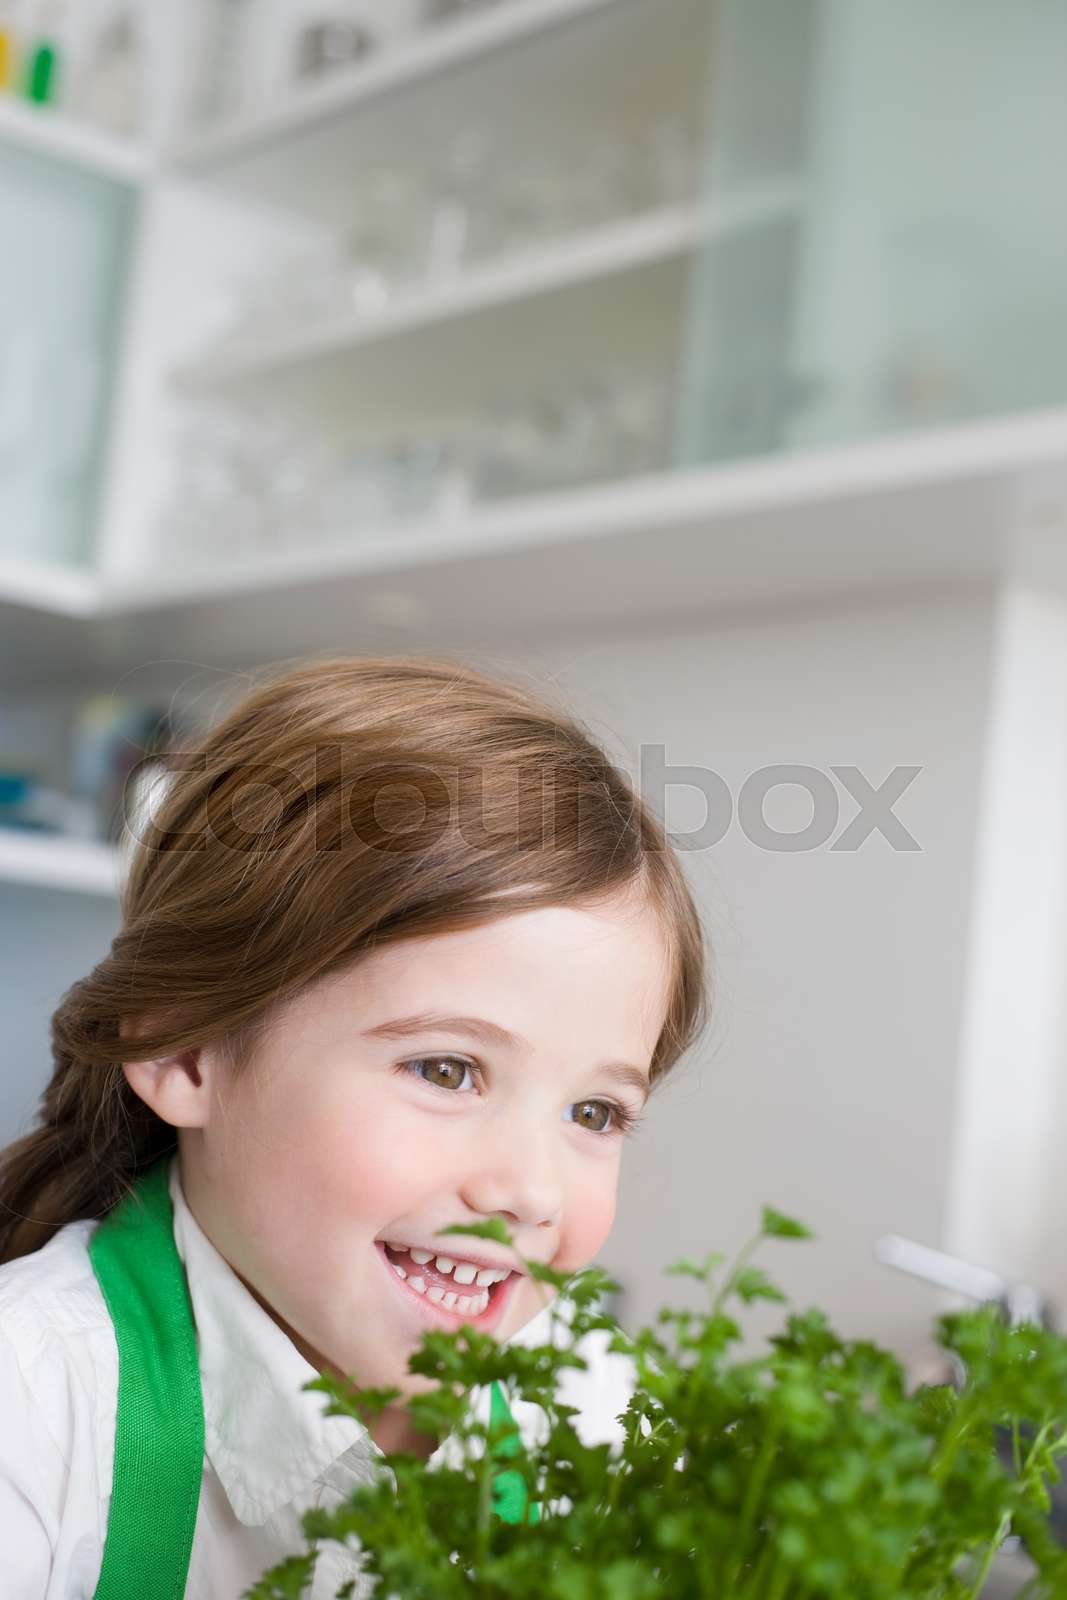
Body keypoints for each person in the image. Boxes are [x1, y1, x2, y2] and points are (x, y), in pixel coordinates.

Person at [0, 652, 709, 1598]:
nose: (530, 1191)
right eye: (446, 1071)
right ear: (186, 1054)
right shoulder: (30, 1411)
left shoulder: (595, 1402)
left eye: (594, 1112)